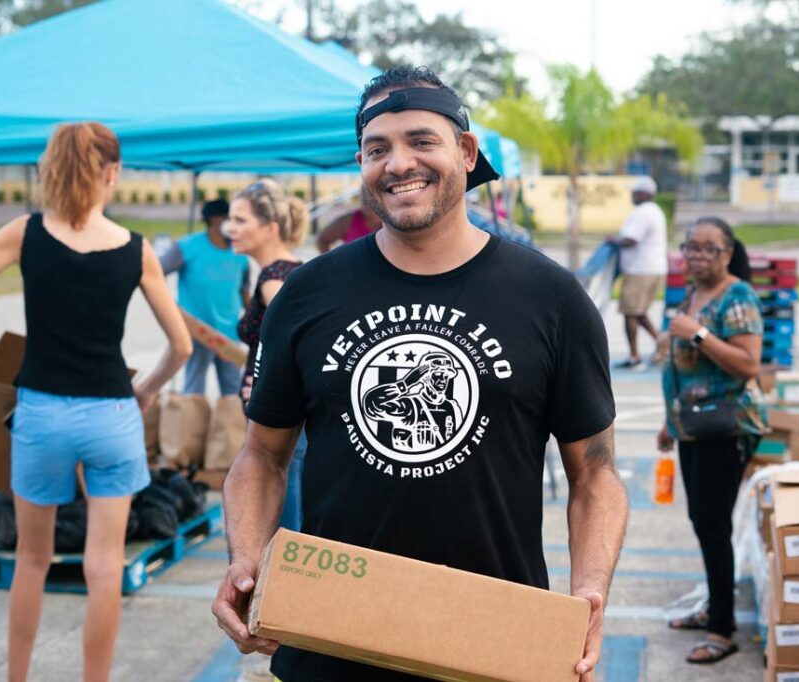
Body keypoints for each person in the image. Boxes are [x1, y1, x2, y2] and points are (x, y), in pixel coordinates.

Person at [211, 66, 627, 682]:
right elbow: (261, 457)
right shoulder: (306, 293)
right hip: (332, 638)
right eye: (377, 148)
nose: (398, 162)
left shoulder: (552, 299)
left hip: (492, 646)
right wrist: (247, 560)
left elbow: (593, 472)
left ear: (465, 151)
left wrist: (589, 592)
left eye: (420, 140)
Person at [0, 122, 192, 682]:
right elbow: (181, 346)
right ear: (113, 173)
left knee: (31, 560)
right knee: (102, 567)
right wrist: (143, 391)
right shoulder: (136, 250)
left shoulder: (25, 234)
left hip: (41, 415)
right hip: (112, 416)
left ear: (51, 169)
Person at [659, 216, 766, 665]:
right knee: (705, 523)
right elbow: (685, 369)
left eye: (709, 248)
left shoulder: (736, 296)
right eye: (692, 247)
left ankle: (723, 631)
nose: (698, 255)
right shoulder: (696, 292)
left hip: (727, 429)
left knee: (713, 525)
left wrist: (697, 334)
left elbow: (748, 365)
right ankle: (714, 608)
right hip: (695, 427)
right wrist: (670, 421)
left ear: (727, 253)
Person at [230, 178, 309, 532]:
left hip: (279, 417)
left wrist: (264, 385)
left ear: (271, 228)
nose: (229, 228)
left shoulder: (273, 279)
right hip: (292, 414)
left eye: (241, 220)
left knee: (282, 521)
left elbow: (294, 347)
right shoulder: (296, 269)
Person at [160, 198, 251, 396]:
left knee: (233, 391)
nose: (230, 224)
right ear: (211, 220)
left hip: (229, 334)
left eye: (235, 220)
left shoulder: (240, 252)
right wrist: (171, 311)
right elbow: (156, 274)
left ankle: (230, 427)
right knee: (194, 389)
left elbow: (245, 292)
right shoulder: (188, 247)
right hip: (197, 332)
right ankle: (192, 427)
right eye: (226, 219)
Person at [605, 176, 667, 369]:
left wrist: (612, 240)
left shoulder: (643, 213)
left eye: (635, 192)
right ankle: (663, 343)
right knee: (639, 312)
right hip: (653, 268)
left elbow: (631, 240)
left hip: (640, 270)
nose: (632, 196)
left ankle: (634, 356)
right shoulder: (655, 211)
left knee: (630, 313)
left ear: (644, 194)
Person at [314, 198, 382, 252]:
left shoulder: (390, 222)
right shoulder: (350, 220)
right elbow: (322, 239)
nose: (370, 204)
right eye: (366, 199)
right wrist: (332, 264)